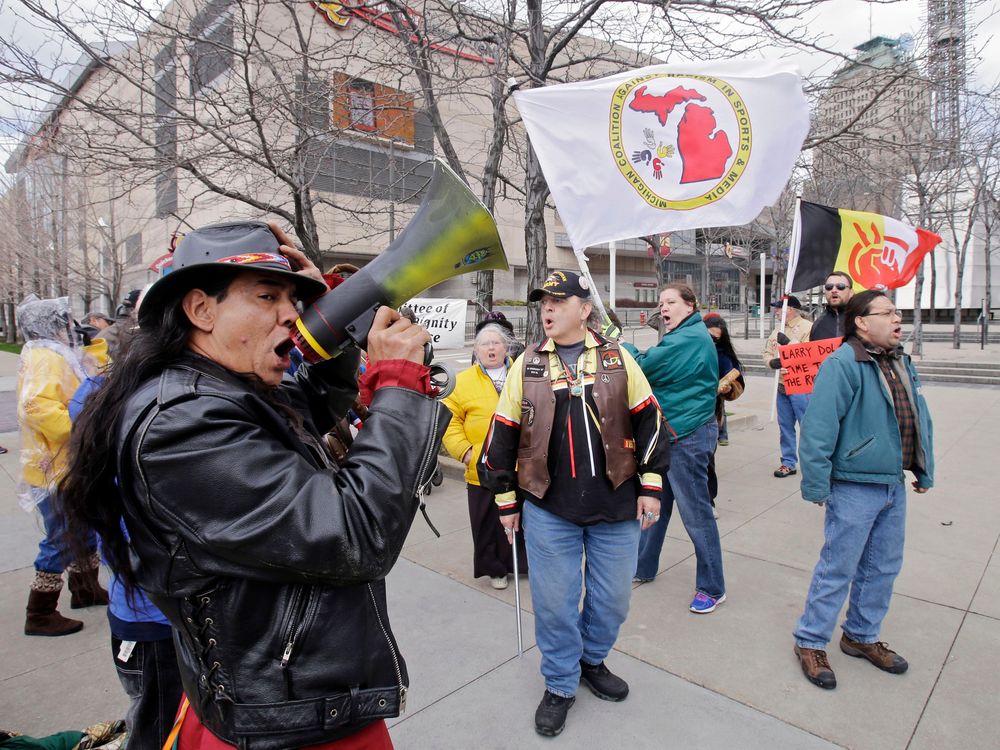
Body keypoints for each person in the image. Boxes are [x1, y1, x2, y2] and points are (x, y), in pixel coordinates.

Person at [57, 220, 449, 748]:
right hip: (284, 723)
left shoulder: (222, 387)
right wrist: (399, 383)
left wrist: (332, 321)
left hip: (288, 698)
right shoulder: (183, 423)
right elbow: (355, 536)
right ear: (200, 310)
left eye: (293, 300)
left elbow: (310, 404)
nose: (290, 314)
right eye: (267, 296)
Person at [479, 270, 668, 737]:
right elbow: (501, 438)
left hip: (616, 505)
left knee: (612, 602)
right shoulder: (527, 364)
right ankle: (561, 683)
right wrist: (506, 500)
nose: (547, 309)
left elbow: (652, 425)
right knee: (556, 605)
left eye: (559, 301)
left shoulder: (618, 358)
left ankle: (591, 660)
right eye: (543, 302)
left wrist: (651, 485)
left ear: (585, 309)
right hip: (548, 508)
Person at [793, 290, 934, 690]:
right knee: (838, 566)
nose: (897, 319)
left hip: (892, 482)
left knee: (883, 566)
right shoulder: (843, 363)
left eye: (897, 312)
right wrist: (816, 483)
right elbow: (819, 429)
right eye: (887, 312)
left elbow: (918, 417)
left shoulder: (900, 360)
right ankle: (810, 641)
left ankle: (861, 635)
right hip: (854, 484)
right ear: (861, 321)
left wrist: (923, 469)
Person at [623, 283, 726, 614]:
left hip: (687, 435)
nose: (663, 308)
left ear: (690, 306)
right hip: (672, 433)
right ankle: (643, 565)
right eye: (661, 302)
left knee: (696, 514)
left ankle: (712, 587)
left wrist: (619, 343)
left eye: (670, 302)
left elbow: (643, 365)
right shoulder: (684, 335)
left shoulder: (688, 339)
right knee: (656, 503)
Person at [16, 295, 109, 637]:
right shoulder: (44, 357)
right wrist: (81, 428)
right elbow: (36, 407)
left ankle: (85, 589)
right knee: (61, 537)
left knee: (83, 531)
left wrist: (93, 344)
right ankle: (39, 612)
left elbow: (90, 374)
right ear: (51, 325)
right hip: (55, 468)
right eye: (65, 321)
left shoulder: (56, 354)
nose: (71, 326)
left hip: (68, 465)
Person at [443, 322, 528, 589]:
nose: (491, 348)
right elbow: (448, 420)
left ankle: (520, 564)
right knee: (487, 521)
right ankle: (495, 569)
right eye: (484, 344)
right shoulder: (463, 381)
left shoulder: (523, 374)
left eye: (496, 343)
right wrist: (466, 453)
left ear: (506, 347)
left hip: (521, 465)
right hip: (481, 468)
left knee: (523, 518)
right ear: (476, 350)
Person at [763, 295, 812, 478]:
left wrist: (789, 345)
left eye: (778, 308)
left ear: (789, 309)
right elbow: (767, 352)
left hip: (801, 387)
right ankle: (788, 462)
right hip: (782, 386)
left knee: (807, 426)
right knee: (785, 426)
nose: (775, 311)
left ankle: (812, 463)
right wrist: (772, 363)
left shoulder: (808, 328)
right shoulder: (777, 330)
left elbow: (809, 355)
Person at [810, 271, 855, 341]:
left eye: (840, 286)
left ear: (851, 292)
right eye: (829, 287)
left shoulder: (862, 319)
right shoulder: (818, 324)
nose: (834, 290)